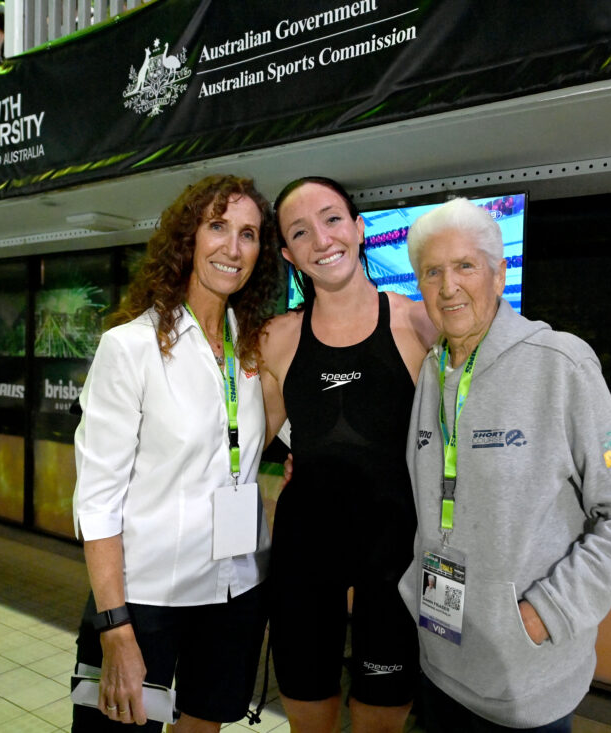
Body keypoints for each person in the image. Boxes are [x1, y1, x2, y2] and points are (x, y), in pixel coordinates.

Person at [400, 198, 611, 732]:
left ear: (499, 276)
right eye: (432, 271)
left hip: (524, 683)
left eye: (465, 266)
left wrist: (546, 614)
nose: (448, 286)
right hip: (440, 660)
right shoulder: (432, 370)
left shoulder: (560, 364)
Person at [71, 175, 283, 732]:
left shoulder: (255, 349)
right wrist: (113, 626)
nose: (232, 248)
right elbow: (97, 500)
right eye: (218, 227)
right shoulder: (131, 347)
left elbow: (258, 441)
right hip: (145, 603)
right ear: (187, 238)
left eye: (249, 234)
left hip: (236, 589)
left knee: (203, 726)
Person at [258, 177, 438, 733]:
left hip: (396, 555)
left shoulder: (417, 323)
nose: (321, 239)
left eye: (332, 219)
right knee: (307, 714)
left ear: (359, 230)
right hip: (304, 556)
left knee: (381, 720)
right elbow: (233, 452)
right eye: (300, 231)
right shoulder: (277, 338)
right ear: (288, 254)